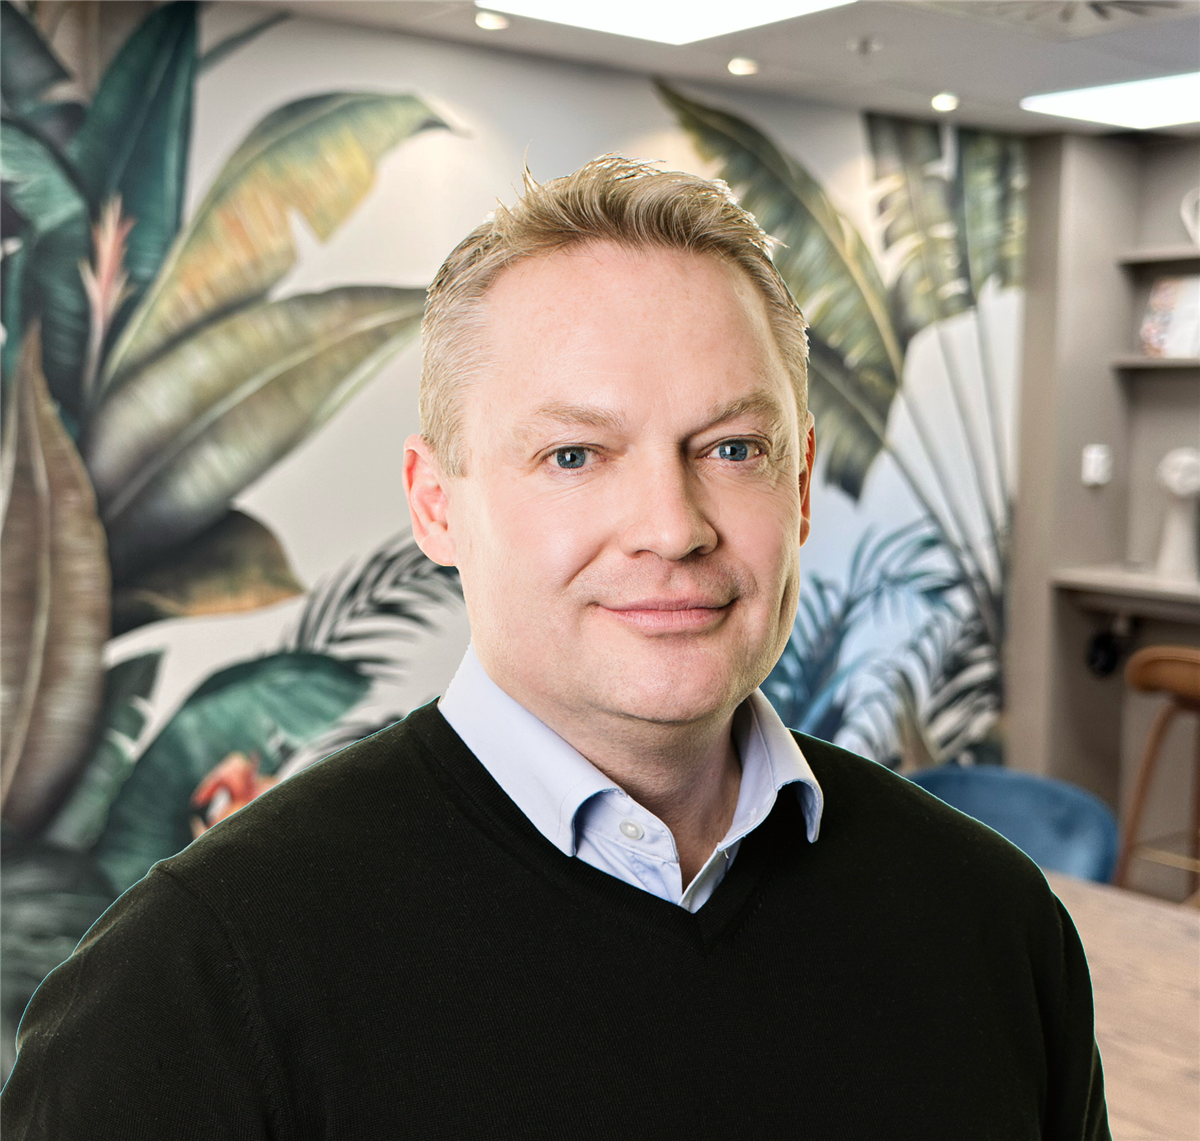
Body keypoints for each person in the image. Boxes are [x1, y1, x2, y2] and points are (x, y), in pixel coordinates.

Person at [0, 157, 1109, 1139]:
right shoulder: (190, 986)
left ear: (803, 484)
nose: (673, 527)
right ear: (436, 503)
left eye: (732, 448)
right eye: (575, 455)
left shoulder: (996, 924)